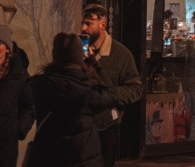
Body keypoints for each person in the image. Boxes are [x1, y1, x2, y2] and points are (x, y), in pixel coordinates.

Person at [28, 32, 121, 167]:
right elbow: (111, 95)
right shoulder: (88, 90)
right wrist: (96, 65)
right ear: (79, 56)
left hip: (48, 154)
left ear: (55, 55)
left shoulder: (38, 84)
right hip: (83, 155)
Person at [81, 3, 142, 167]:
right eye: (83, 23)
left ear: (102, 24)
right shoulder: (79, 49)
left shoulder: (121, 54)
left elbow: (135, 89)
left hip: (107, 126)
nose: (83, 28)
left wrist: (109, 97)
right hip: (82, 124)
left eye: (89, 23)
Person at [0, 25, 34, 167]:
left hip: (5, 148)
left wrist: (18, 130)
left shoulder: (18, 75)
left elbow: (30, 106)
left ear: (7, 48)